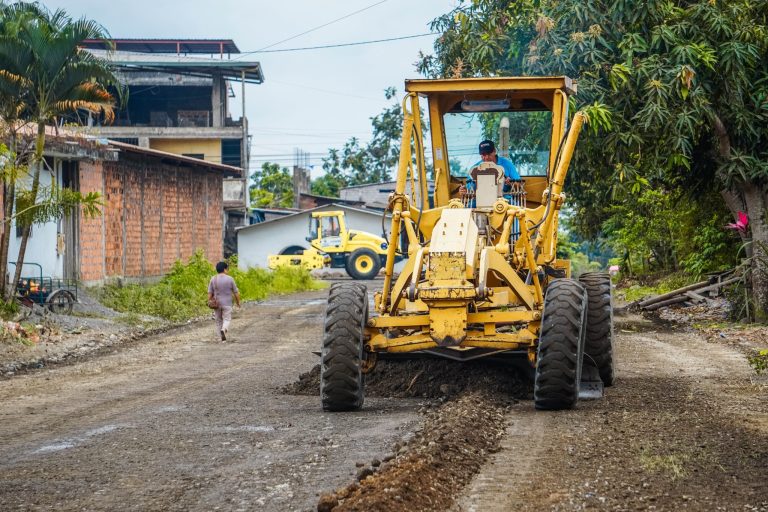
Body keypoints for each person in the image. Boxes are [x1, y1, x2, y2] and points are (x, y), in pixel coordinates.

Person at [208, 261, 241, 342]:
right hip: (227, 303)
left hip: (217, 304)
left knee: (218, 320)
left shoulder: (213, 279)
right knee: (227, 319)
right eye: (227, 269)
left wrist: (210, 301)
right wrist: (238, 302)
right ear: (225, 269)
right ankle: (224, 329)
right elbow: (236, 292)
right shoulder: (230, 279)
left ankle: (222, 339)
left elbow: (210, 293)